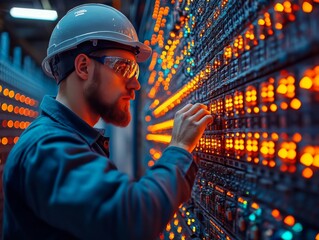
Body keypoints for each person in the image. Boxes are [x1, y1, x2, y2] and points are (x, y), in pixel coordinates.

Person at [2, 3, 213, 240]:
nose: (135, 85)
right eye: (124, 68)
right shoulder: (47, 148)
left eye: (135, 71)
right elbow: (131, 220)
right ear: (83, 67)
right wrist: (180, 149)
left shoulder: (71, 139)